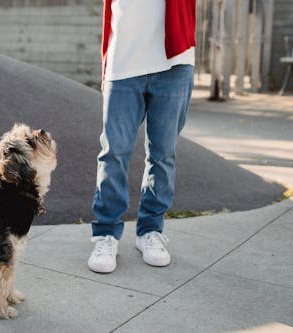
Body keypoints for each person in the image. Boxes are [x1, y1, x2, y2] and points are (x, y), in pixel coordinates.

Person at [88, 0, 196, 273]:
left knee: (162, 154)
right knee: (114, 152)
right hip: (123, 63)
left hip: (174, 63)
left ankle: (150, 231)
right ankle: (106, 234)